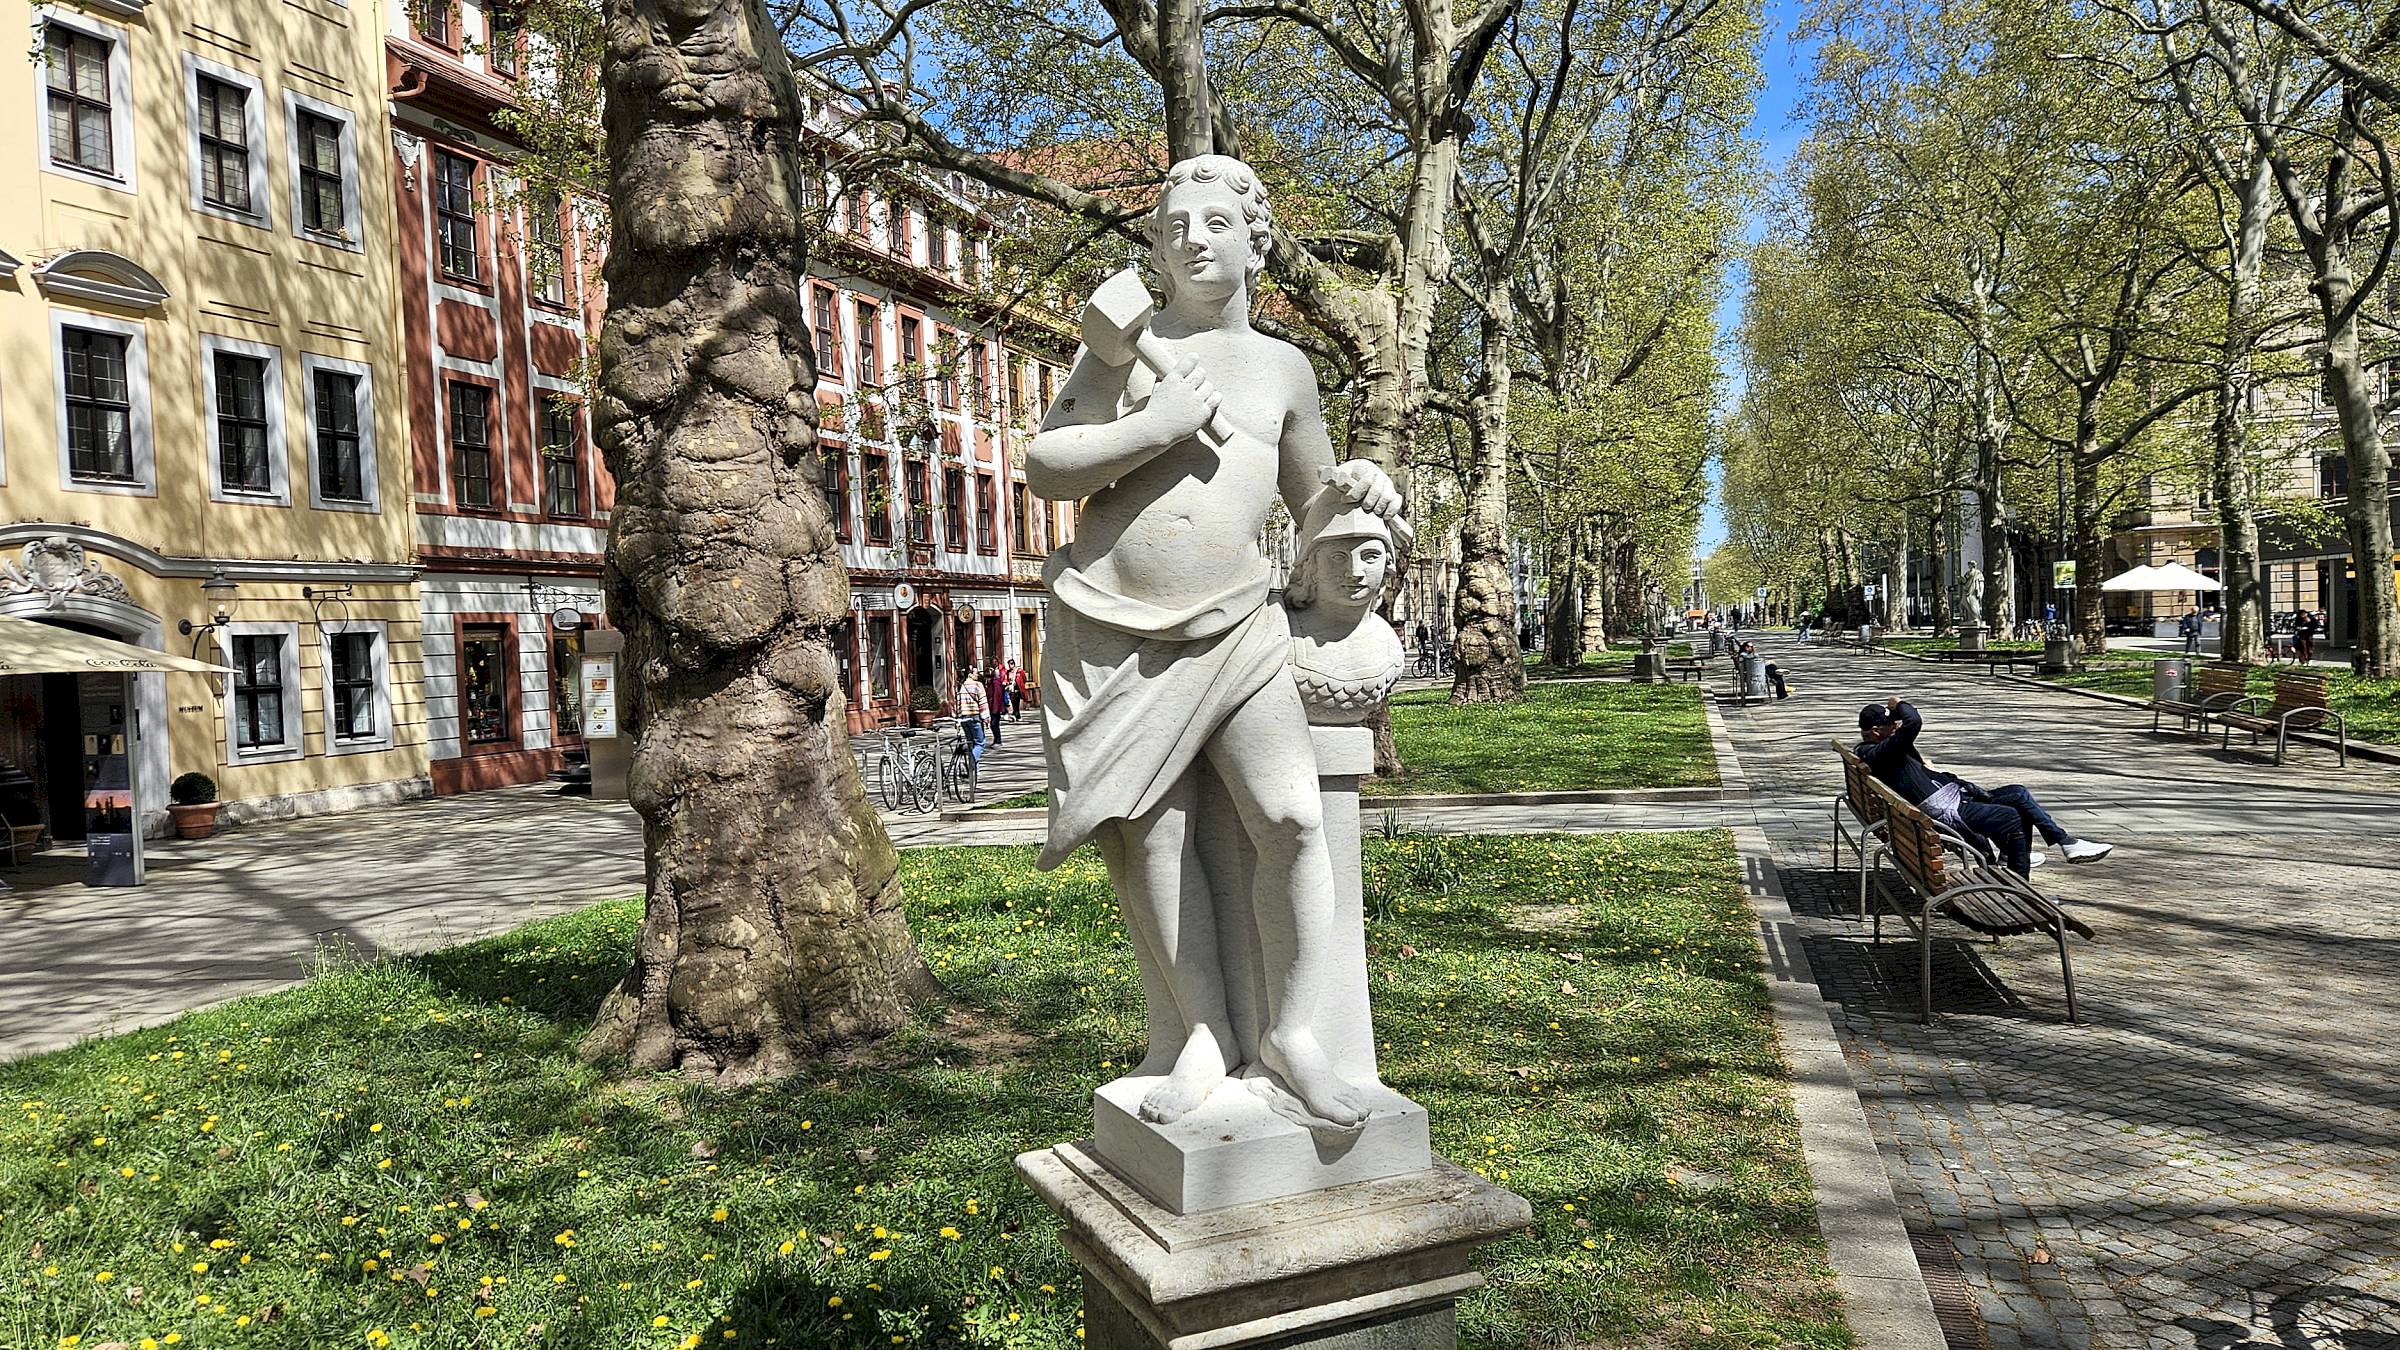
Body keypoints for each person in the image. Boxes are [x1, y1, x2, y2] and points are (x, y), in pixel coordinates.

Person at [1026, 154, 1404, 1128]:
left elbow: (1315, 505)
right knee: (1152, 837)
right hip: (1114, 631)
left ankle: (1293, 1034)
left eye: (1216, 224)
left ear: (1255, 244)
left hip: (1239, 624)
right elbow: (1047, 465)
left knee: (1290, 819)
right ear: (1157, 248)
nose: (1194, 240)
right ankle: (1203, 1032)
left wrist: (1361, 489)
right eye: (1175, 227)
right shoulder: (1125, 347)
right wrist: (1156, 424)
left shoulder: (1284, 369)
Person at [1855, 697, 2112, 878]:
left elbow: (1906, 738)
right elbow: (1913, 722)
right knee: (2012, 815)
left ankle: (2064, 843)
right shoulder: (1880, 752)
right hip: (1949, 811)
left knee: (2018, 793)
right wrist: (1899, 704)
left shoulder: (1878, 750)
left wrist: (1927, 769)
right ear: (1876, 731)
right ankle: (2019, 884)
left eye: (1895, 722)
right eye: (1891, 725)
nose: (1896, 726)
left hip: (1951, 800)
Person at [954, 669, 988, 767]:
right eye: (976, 673)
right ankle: (972, 762)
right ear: (970, 674)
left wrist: (958, 718)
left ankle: (974, 771)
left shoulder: (961, 686)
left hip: (964, 717)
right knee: (980, 743)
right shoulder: (978, 685)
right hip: (974, 717)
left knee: (970, 743)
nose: (978, 675)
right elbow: (983, 703)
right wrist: (986, 718)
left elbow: (958, 703)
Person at [984, 665, 1006, 746]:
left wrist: (995, 709)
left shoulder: (995, 683)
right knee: (993, 724)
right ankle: (996, 739)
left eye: (987, 677)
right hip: (991, 706)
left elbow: (997, 696)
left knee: (994, 724)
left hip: (995, 707)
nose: (986, 679)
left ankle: (998, 740)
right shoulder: (990, 683)